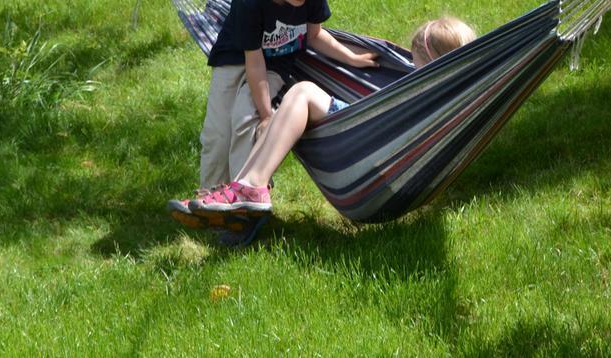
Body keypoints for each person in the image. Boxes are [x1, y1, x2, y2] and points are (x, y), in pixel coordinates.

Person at [188, 16, 477, 214]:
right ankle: (240, 189)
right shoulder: (459, 96)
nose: (412, 70)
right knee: (293, 103)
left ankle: (250, 187)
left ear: (433, 63)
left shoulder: (436, 93)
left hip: (368, 140)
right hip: (375, 140)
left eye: (416, 64)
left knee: (301, 92)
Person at [194, 0, 378, 194]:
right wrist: (269, 114)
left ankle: (240, 195)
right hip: (235, 59)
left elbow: (314, 35)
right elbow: (252, 60)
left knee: (245, 119)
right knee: (217, 133)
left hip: (275, 65)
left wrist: (351, 59)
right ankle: (209, 195)